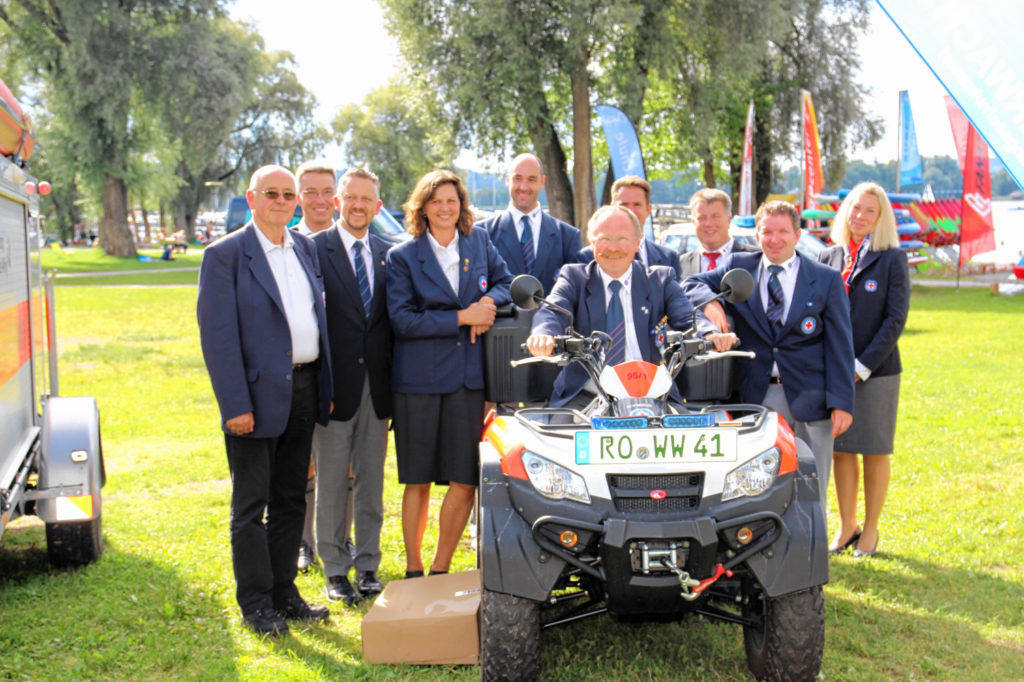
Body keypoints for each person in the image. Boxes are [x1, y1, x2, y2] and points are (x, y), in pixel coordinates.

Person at [197, 165, 333, 636]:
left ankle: (284, 593)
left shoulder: (306, 248)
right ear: (252, 198)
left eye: (288, 194)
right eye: (271, 193)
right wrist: (235, 404)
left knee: (291, 499)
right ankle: (255, 603)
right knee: (251, 506)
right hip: (253, 399)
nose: (281, 200)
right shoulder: (226, 255)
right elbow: (218, 338)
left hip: (305, 389)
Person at [683, 200, 855, 502]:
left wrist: (842, 402)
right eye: (766, 232)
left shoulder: (824, 278)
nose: (774, 240)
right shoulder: (741, 267)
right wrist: (711, 302)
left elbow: (841, 345)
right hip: (755, 396)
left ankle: (812, 546)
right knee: (754, 486)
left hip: (810, 399)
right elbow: (691, 282)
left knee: (811, 485)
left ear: (798, 235)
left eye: (783, 232)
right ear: (756, 235)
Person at [387, 169, 512, 578]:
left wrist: (488, 305)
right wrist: (463, 316)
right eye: (436, 201)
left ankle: (441, 568)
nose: (445, 208)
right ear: (421, 208)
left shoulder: (478, 242)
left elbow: (506, 282)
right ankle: (413, 567)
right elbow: (403, 321)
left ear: (462, 207)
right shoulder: (402, 256)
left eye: (452, 201)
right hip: (418, 384)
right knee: (418, 478)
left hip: (467, 383)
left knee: (464, 479)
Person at [527, 204, 736, 408]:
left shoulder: (660, 280)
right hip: (586, 393)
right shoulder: (574, 277)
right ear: (591, 243)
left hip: (653, 394)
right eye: (604, 239)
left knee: (686, 438)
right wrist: (544, 335)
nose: (613, 247)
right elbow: (552, 311)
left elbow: (688, 317)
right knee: (557, 440)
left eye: (622, 238)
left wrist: (709, 333)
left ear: (638, 243)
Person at [311, 168, 393, 604]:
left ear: (378, 207)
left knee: (371, 481)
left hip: (376, 389)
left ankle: (367, 565)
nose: (359, 205)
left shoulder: (388, 253)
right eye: (351, 197)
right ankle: (334, 568)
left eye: (367, 199)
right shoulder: (314, 250)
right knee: (330, 480)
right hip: (332, 388)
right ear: (338, 201)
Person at [818, 182, 910, 557]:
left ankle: (870, 530)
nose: (860, 216)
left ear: (881, 217)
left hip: (876, 372)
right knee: (841, 450)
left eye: (869, 211)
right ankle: (847, 526)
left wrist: (862, 366)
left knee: (873, 450)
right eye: (855, 208)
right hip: (834, 371)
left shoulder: (892, 259)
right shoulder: (829, 257)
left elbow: (895, 319)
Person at [290, 161, 348, 573]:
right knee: (300, 461)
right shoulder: (287, 244)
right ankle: (302, 542)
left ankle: (339, 538)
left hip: (345, 370)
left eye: (327, 191)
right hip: (302, 370)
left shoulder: (351, 242)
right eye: (310, 192)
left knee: (341, 464)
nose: (320, 200)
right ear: (298, 198)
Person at [477, 153, 581, 294]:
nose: (524, 187)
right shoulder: (481, 234)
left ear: (542, 182)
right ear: (508, 180)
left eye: (531, 179)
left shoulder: (568, 236)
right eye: (517, 178)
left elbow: (575, 293)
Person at [577, 175, 682, 279]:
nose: (630, 210)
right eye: (624, 205)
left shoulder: (669, 258)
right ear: (613, 207)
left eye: (637, 204)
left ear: (648, 209)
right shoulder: (586, 258)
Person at [679, 188, 760, 278]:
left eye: (715, 216)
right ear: (693, 222)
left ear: (728, 220)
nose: (708, 223)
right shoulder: (680, 264)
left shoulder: (756, 259)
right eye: (702, 217)